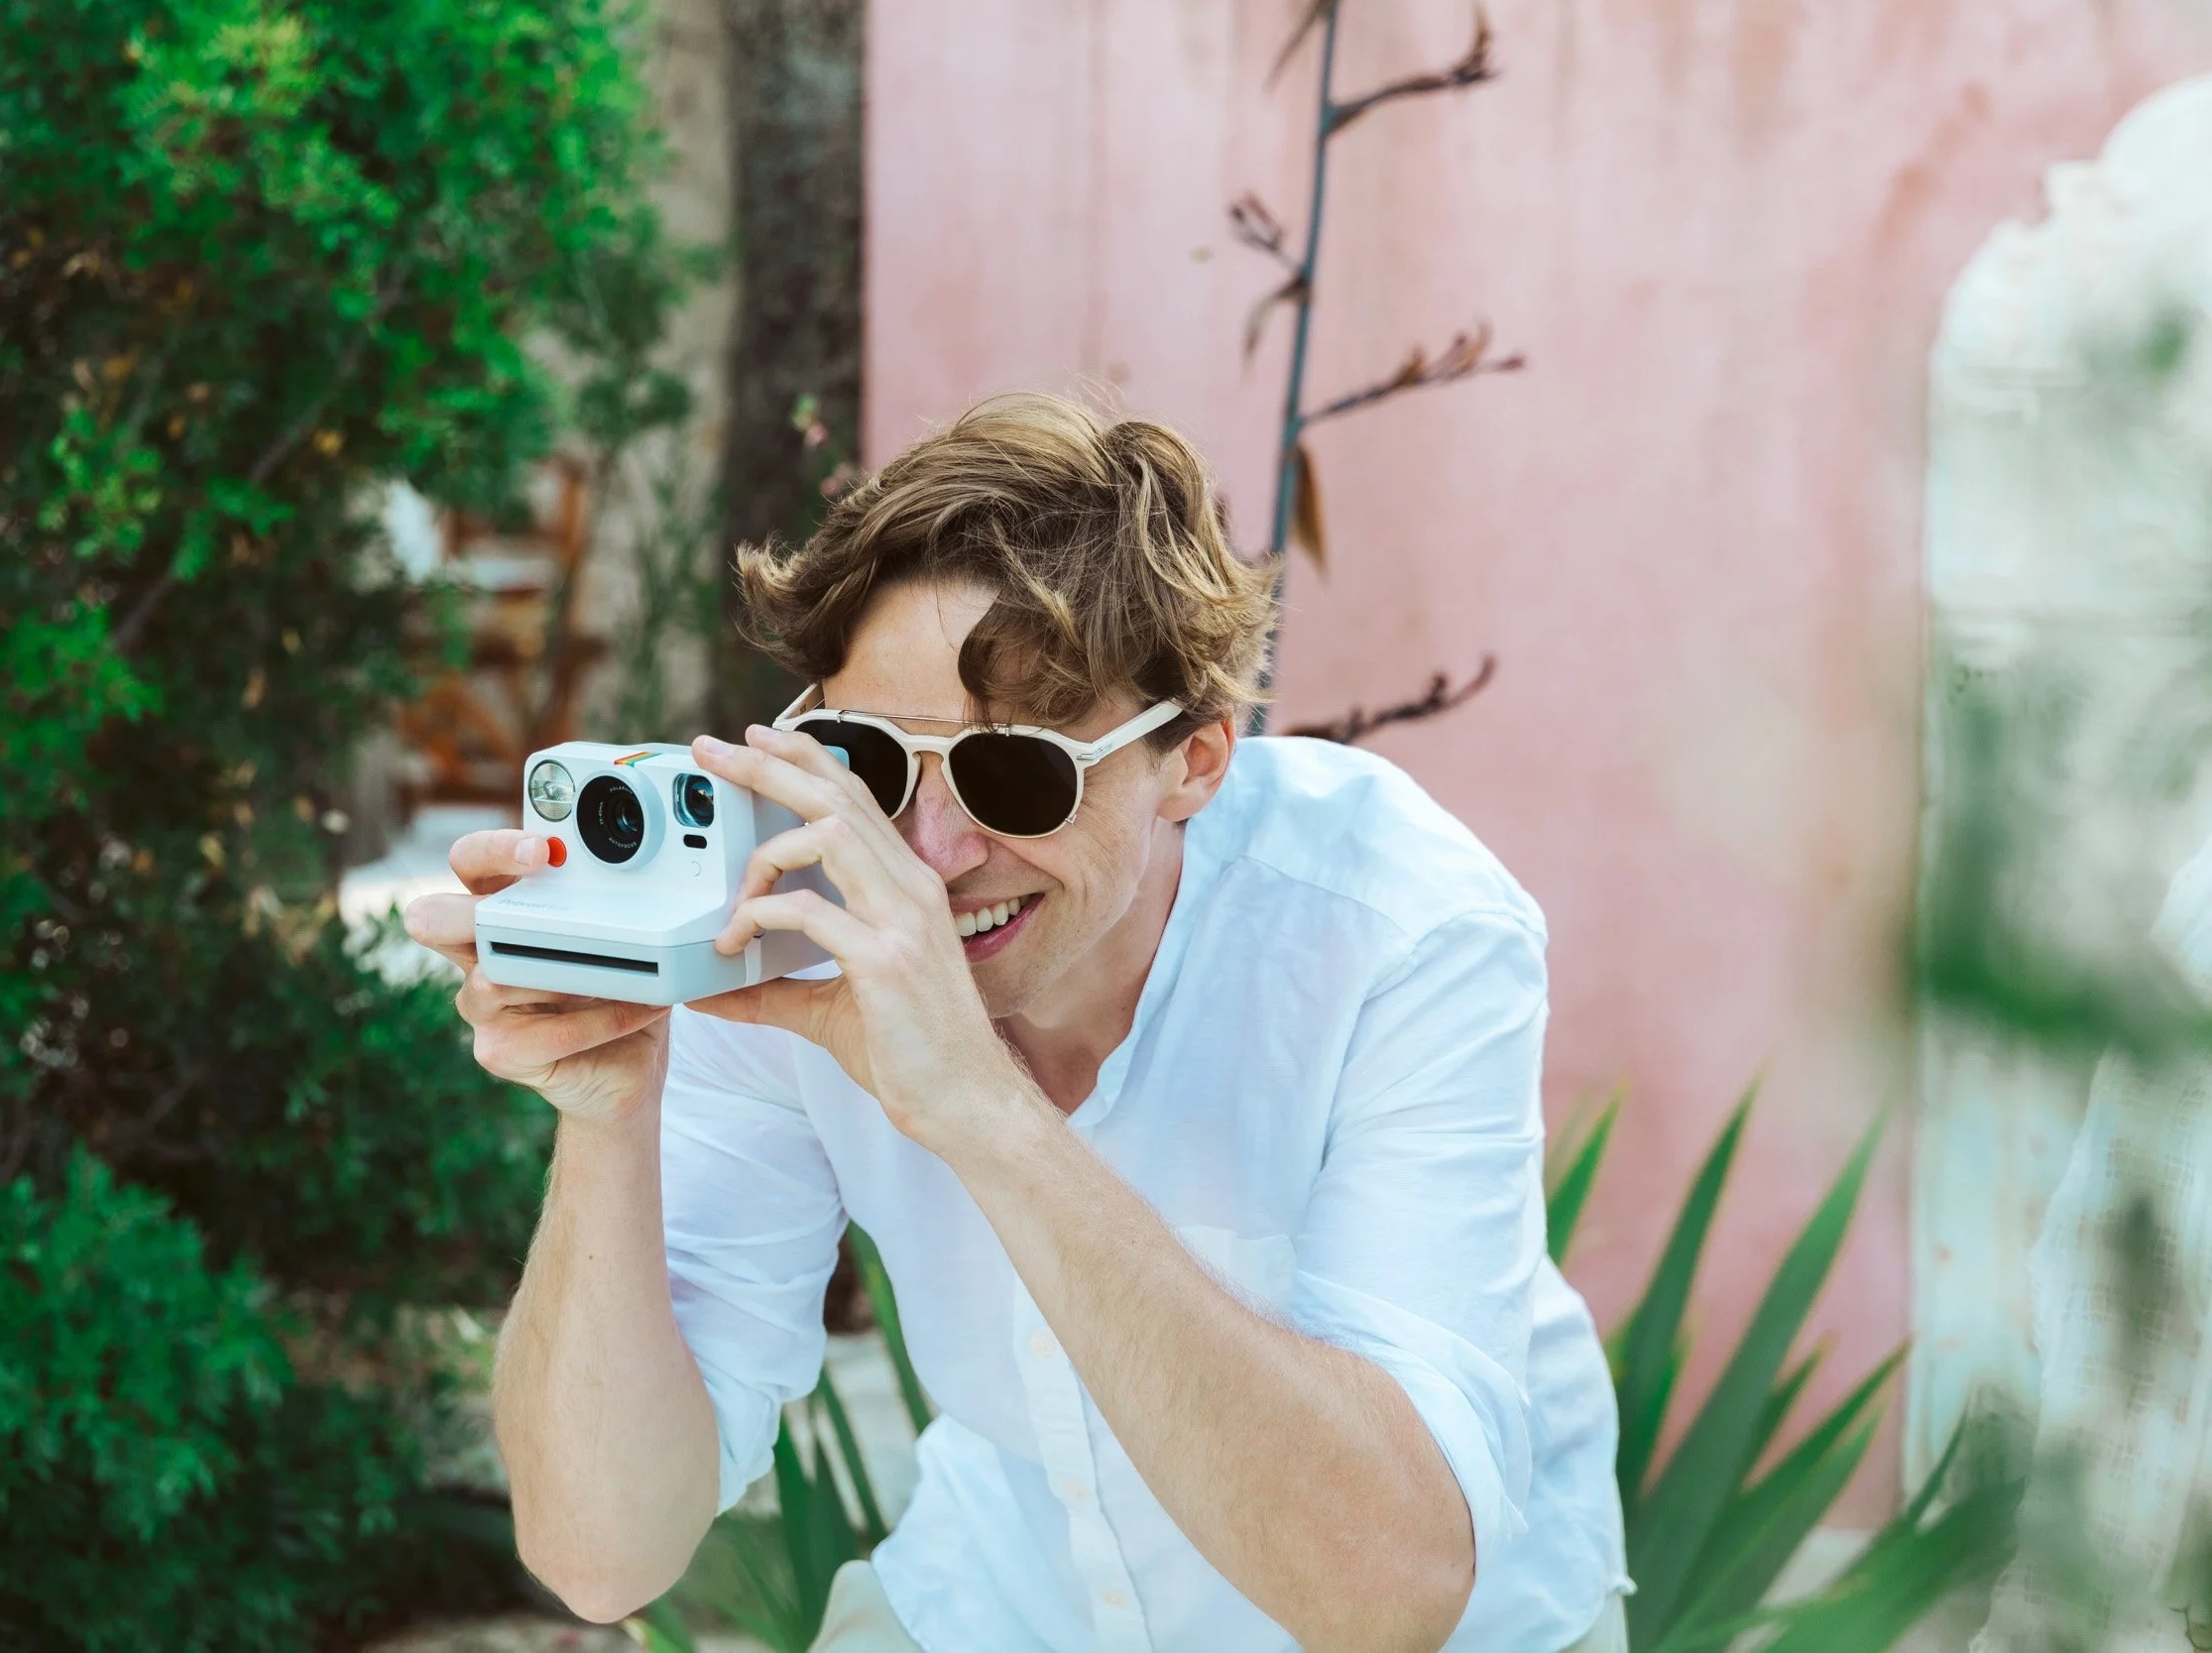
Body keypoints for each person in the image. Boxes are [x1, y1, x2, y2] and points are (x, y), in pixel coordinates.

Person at [407, 395, 1628, 1653]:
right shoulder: (785, 905)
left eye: (1014, 775)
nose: (930, 855)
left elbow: (1389, 1591)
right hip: (1002, 1596)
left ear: (1197, 758)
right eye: (870, 760)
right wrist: (606, 1115)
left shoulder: (1394, 924)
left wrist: (981, 1109)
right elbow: (599, 1551)